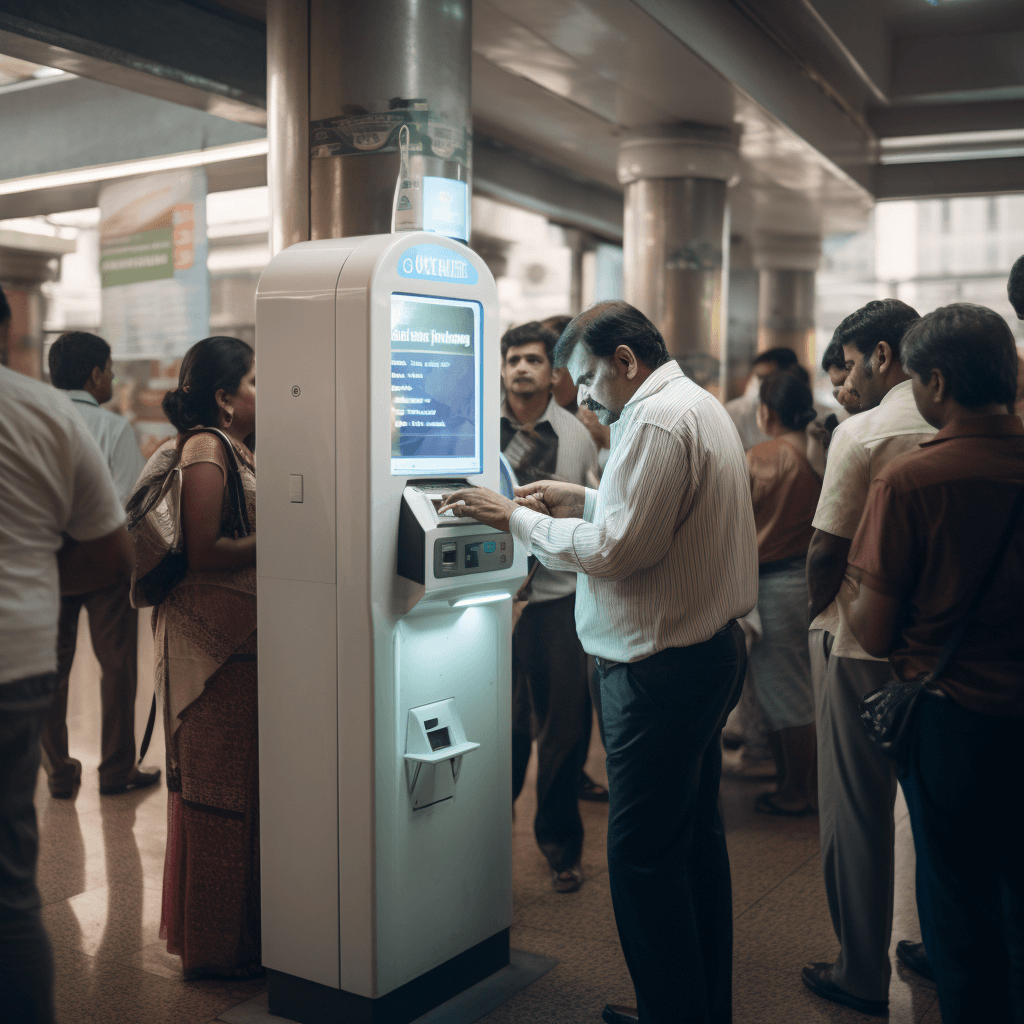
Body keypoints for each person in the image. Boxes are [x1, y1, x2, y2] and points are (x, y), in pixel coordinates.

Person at [440, 300, 758, 1024]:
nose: (577, 397)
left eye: (586, 380)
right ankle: (697, 1007)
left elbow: (617, 551)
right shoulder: (693, 405)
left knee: (644, 861)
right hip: (703, 655)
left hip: (657, 669)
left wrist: (516, 517)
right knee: (694, 845)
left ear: (625, 361)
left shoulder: (650, 418)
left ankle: (668, 1013)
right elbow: (653, 513)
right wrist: (582, 498)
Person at [844, 303, 1024, 1024]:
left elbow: (875, 627)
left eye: (914, 379)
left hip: (954, 723)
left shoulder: (912, 482)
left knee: (959, 908)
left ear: (938, 382)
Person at [1, 288, 134, 1023]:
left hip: (34, 614)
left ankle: (65, 768)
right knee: (9, 886)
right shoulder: (55, 415)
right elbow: (113, 535)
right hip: (31, 618)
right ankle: (115, 767)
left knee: (61, 677)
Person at [802, 298, 935, 1016]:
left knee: (857, 810)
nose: (847, 379)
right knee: (935, 805)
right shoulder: (973, 425)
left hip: (858, 640)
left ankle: (859, 969)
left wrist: (817, 614)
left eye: (850, 363)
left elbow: (826, 546)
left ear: (882, 355)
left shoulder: (864, 433)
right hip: (942, 650)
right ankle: (939, 945)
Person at [152, 336, 260, 979]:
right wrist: (284, 538)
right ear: (224, 398)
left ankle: (244, 937)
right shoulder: (205, 447)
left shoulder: (237, 448)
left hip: (237, 649)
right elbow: (204, 550)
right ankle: (215, 950)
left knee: (238, 790)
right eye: (254, 382)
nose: (260, 394)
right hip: (209, 654)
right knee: (215, 797)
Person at [500, 321, 601, 892]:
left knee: (564, 729)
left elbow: (586, 512)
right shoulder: (482, 430)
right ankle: (487, 834)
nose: (521, 368)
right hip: (495, 606)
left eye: (533, 359)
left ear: (553, 371)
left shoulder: (577, 433)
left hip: (558, 600)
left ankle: (561, 844)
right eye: (513, 358)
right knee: (503, 727)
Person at [43, 331, 155, 798]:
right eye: (109, 369)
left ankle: (60, 773)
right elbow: (130, 501)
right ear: (94, 375)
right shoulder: (113, 429)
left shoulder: (35, 422)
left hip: (49, 565)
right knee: (117, 668)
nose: (111, 377)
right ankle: (115, 771)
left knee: (52, 669)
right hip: (106, 565)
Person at [745, 372, 821, 816]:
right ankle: (794, 783)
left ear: (766, 411)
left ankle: (795, 790)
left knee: (785, 695)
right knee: (795, 689)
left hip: (771, 584)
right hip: (804, 580)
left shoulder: (764, 456)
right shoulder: (817, 451)